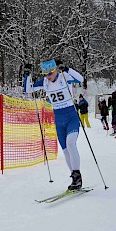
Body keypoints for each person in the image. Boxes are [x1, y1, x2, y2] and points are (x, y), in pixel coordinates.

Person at [23, 59, 84, 190]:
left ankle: (78, 175)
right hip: (59, 119)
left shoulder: (64, 76)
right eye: (45, 74)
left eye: (50, 73)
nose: (48, 77)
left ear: (56, 69)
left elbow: (80, 79)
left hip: (71, 116)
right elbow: (28, 89)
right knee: (66, 150)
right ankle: (74, 179)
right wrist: (27, 74)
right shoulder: (45, 82)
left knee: (71, 143)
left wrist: (67, 68)